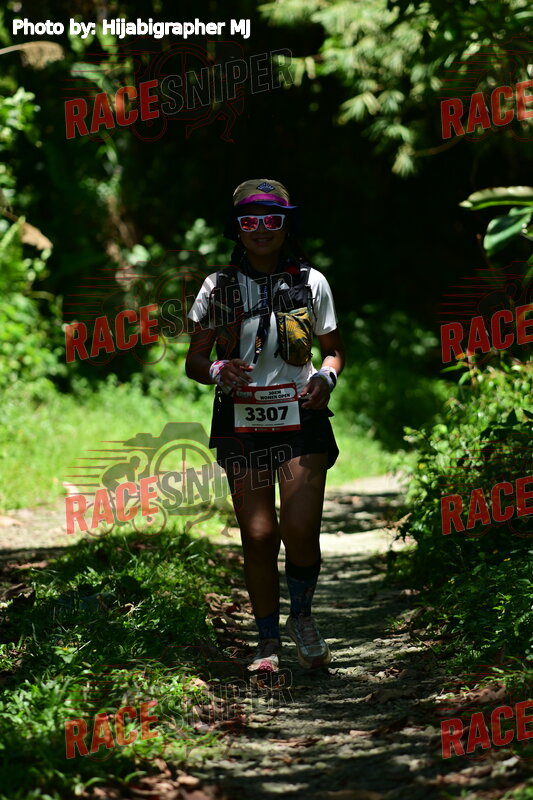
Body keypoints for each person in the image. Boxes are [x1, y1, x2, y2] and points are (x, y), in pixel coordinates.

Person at [185, 179, 345, 672]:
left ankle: (303, 617)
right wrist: (218, 368)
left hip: (302, 418)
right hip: (241, 422)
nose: (260, 229)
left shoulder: (311, 281)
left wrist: (325, 378)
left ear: (285, 226)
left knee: (300, 530)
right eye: (249, 219)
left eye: (272, 219)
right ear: (236, 228)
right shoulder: (217, 287)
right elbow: (195, 360)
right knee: (257, 535)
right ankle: (268, 641)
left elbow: (334, 350)